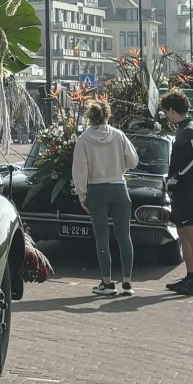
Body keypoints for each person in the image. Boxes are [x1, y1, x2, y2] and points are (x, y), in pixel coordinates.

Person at [73, 101, 139, 296]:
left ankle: (107, 282)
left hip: (96, 190)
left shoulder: (84, 139)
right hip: (119, 187)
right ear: (107, 116)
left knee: (102, 237)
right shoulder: (118, 135)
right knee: (124, 236)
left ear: (89, 117)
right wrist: (121, 168)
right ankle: (127, 282)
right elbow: (133, 161)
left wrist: (81, 193)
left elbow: (79, 168)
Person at [161, 90, 193, 295]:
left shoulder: (190, 130)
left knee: (192, 232)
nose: (166, 116)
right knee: (182, 231)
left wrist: (176, 177)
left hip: (188, 189)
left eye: (166, 112)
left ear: (172, 110)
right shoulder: (183, 129)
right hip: (179, 190)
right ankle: (190, 276)